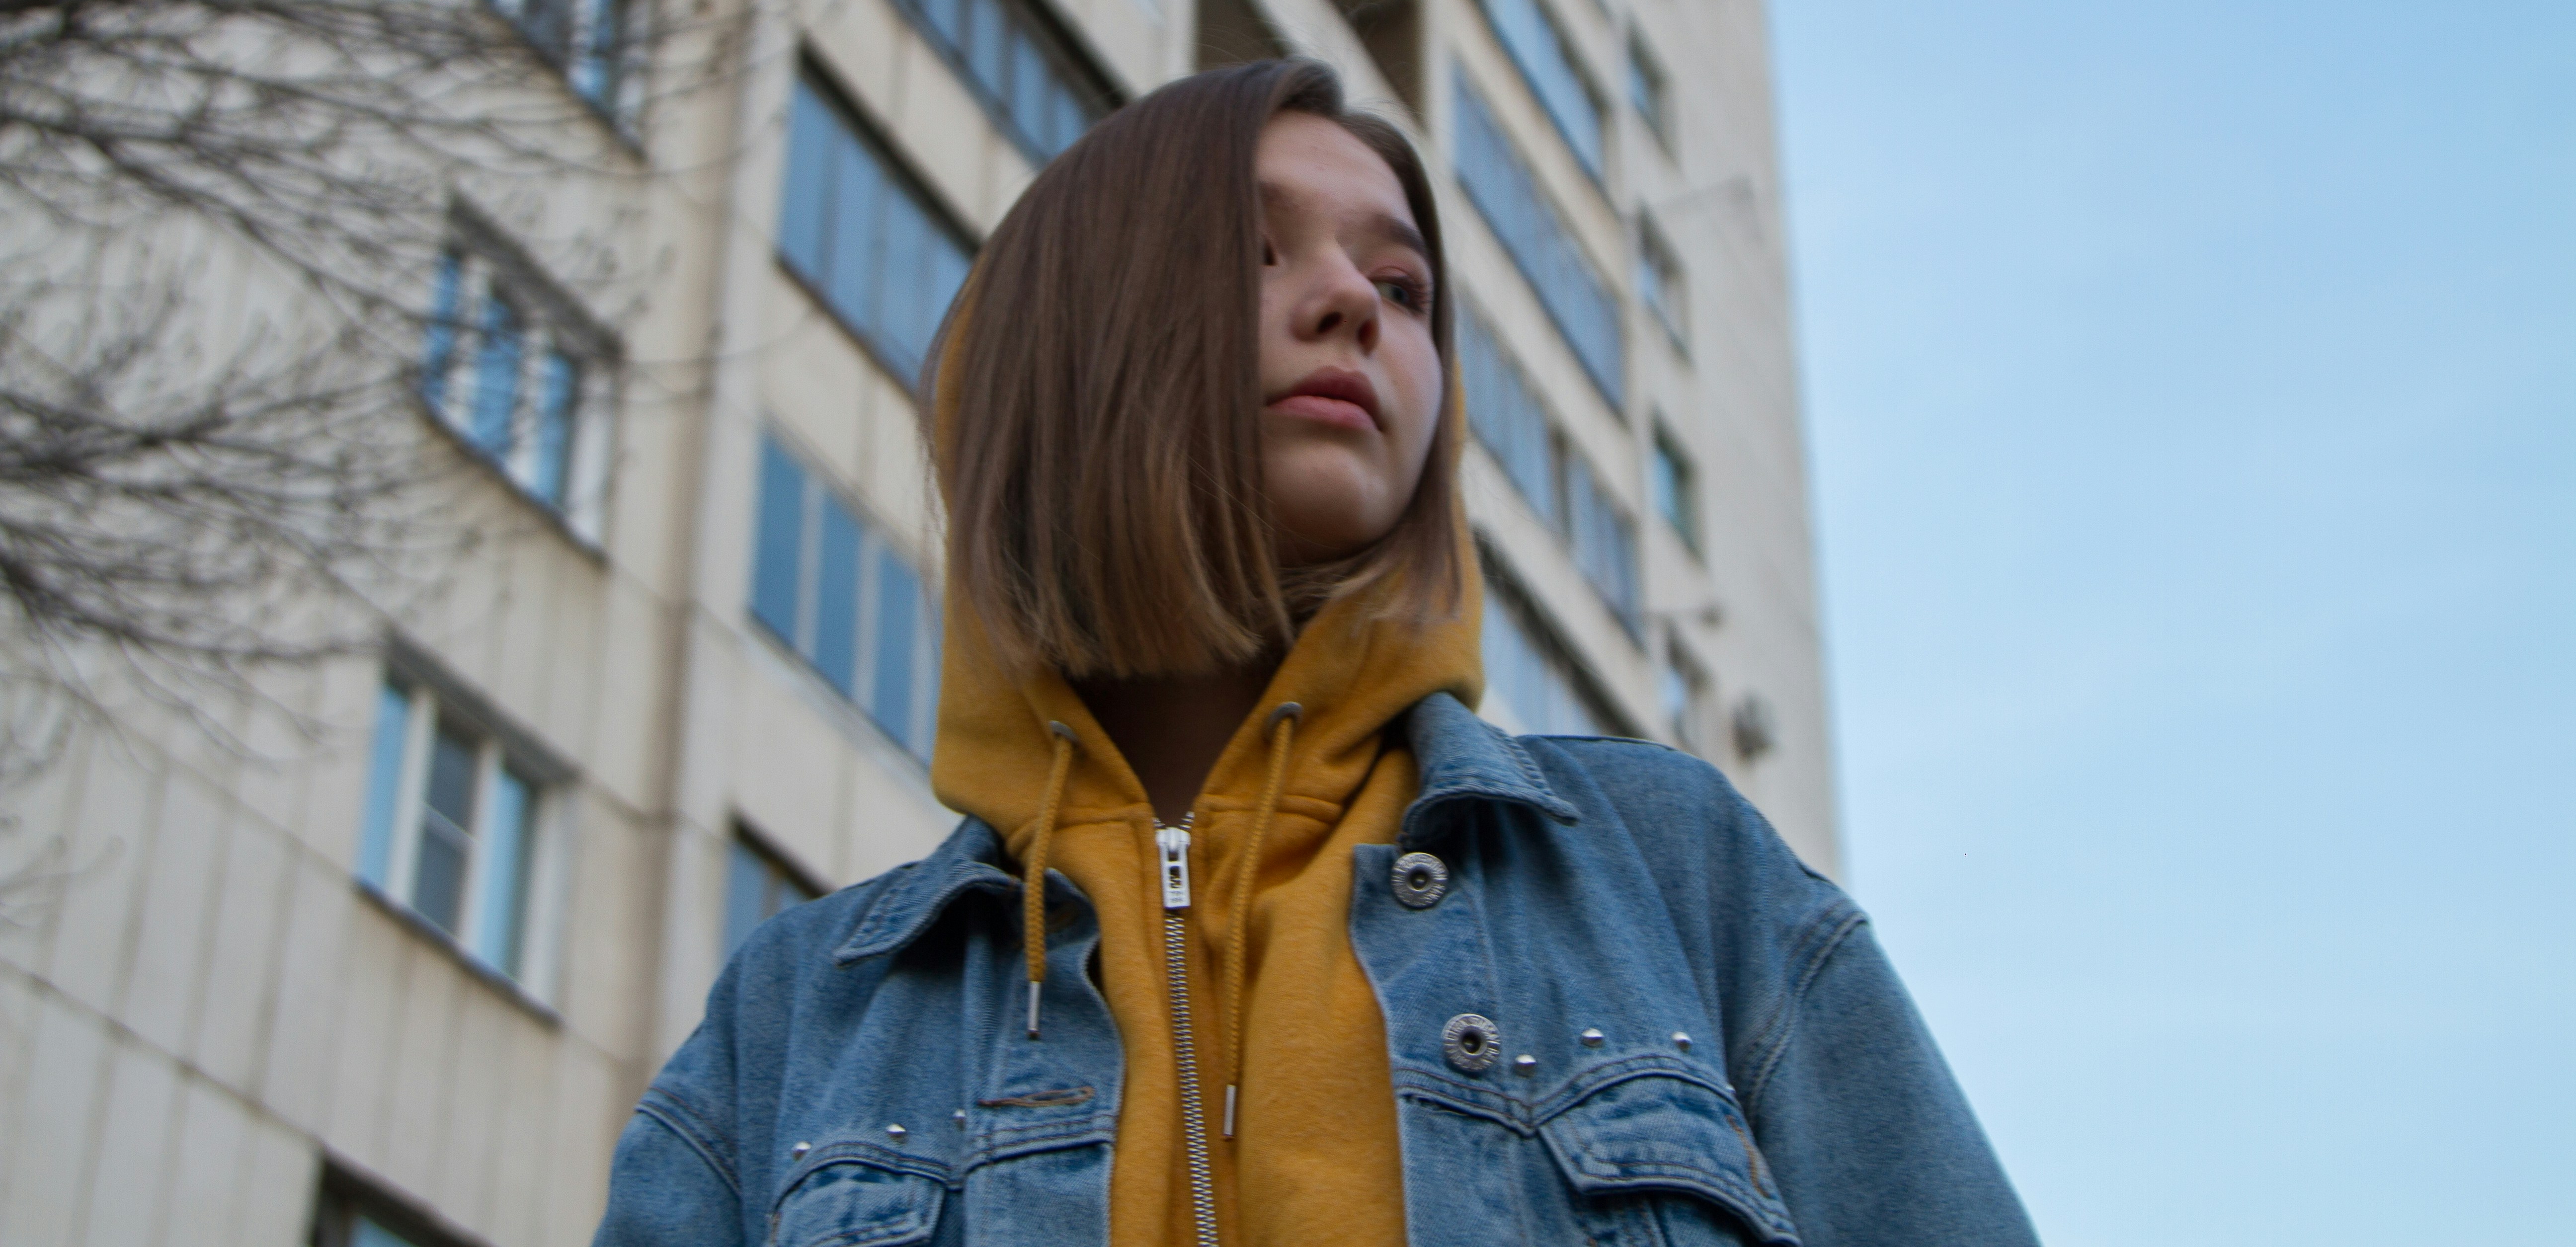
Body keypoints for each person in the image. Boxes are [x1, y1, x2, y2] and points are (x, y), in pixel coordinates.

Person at [593, 61, 2036, 1247]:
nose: (1357, 304)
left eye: (1404, 289)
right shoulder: (791, 1030)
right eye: (1254, 249)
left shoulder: (1679, 880)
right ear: (1068, 345)